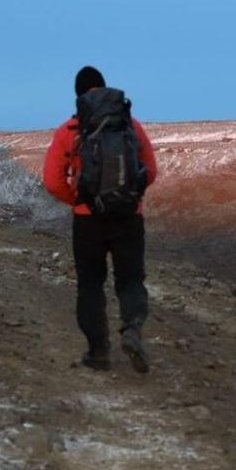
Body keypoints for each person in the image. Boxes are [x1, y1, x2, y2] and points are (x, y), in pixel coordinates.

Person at [42, 66, 158, 373]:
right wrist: (131, 197)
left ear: (79, 95)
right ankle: (132, 329)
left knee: (91, 285)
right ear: (105, 90)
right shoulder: (129, 125)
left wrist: (79, 200)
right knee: (131, 280)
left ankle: (98, 352)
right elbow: (151, 171)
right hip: (128, 217)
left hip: (88, 220)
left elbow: (53, 181)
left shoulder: (69, 130)